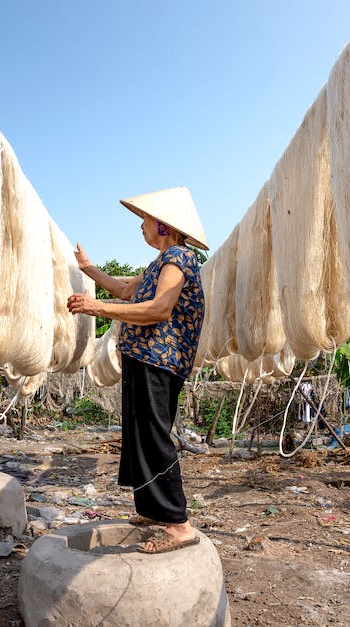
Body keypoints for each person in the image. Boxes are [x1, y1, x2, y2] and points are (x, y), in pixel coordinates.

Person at [66, 186, 209, 554]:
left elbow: (160, 308)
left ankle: (179, 526)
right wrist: (87, 269)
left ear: (163, 225)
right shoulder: (157, 264)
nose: (141, 227)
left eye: (145, 220)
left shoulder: (178, 257)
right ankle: (152, 509)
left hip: (159, 361)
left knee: (153, 436)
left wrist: (96, 308)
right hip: (143, 359)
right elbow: (125, 289)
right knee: (139, 435)